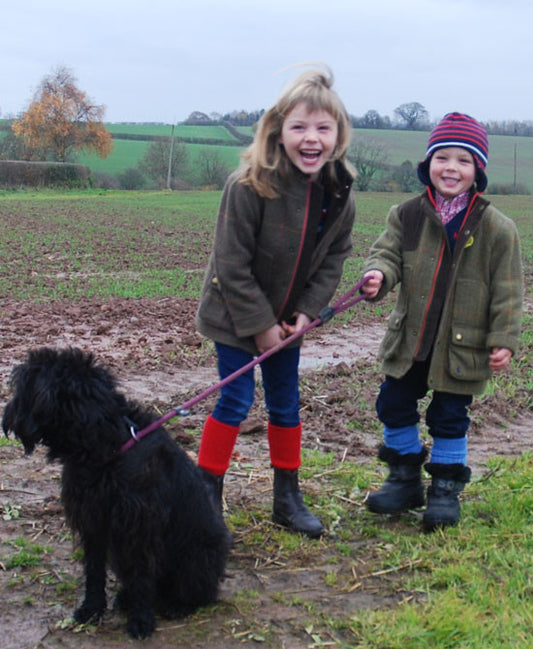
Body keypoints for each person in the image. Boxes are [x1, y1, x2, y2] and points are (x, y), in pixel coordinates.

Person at [195, 66, 355, 538]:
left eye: (323, 128)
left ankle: (287, 499)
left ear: (338, 135)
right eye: (300, 126)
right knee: (235, 399)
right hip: (234, 315)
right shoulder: (248, 185)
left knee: (286, 405)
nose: (312, 138)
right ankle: (206, 500)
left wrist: (303, 316)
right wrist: (261, 327)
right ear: (277, 130)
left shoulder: (339, 193)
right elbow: (230, 264)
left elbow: (334, 259)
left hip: (289, 323)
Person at [361, 112, 523, 531]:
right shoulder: (407, 215)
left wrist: (503, 338)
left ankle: (445, 491)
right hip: (412, 340)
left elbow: (509, 290)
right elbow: (387, 255)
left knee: (449, 416)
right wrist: (378, 276)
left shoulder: (497, 228)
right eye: (442, 158)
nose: (451, 168)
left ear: (478, 171)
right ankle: (404, 478)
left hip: (462, 345)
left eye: (463, 161)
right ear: (427, 164)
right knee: (393, 402)